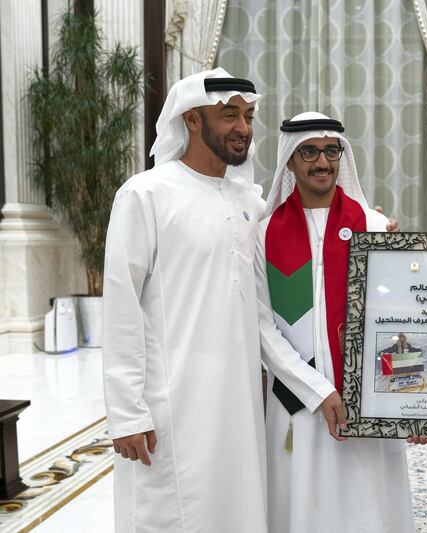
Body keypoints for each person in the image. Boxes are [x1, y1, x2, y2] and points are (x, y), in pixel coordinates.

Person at [102, 68, 269, 532]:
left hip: (238, 401)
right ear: (192, 119)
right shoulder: (146, 194)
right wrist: (126, 412)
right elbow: (120, 306)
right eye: (229, 115)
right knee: (171, 512)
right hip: (170, 402)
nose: (243, 127)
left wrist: (374, 232)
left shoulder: (250, 203)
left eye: (249, 115)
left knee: (238, 508)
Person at [254, 112, 427, 533]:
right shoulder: (264, 235)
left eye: (330, 150)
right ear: (290, 162)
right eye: (308, 151)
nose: (322, 161)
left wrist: (415, 402)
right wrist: (318, 392)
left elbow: (402, 317)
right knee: (303, 508)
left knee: (369, 507)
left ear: (341, 156)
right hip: (298, 401)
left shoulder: (372, 226)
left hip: (369, 403)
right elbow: (262, 328)